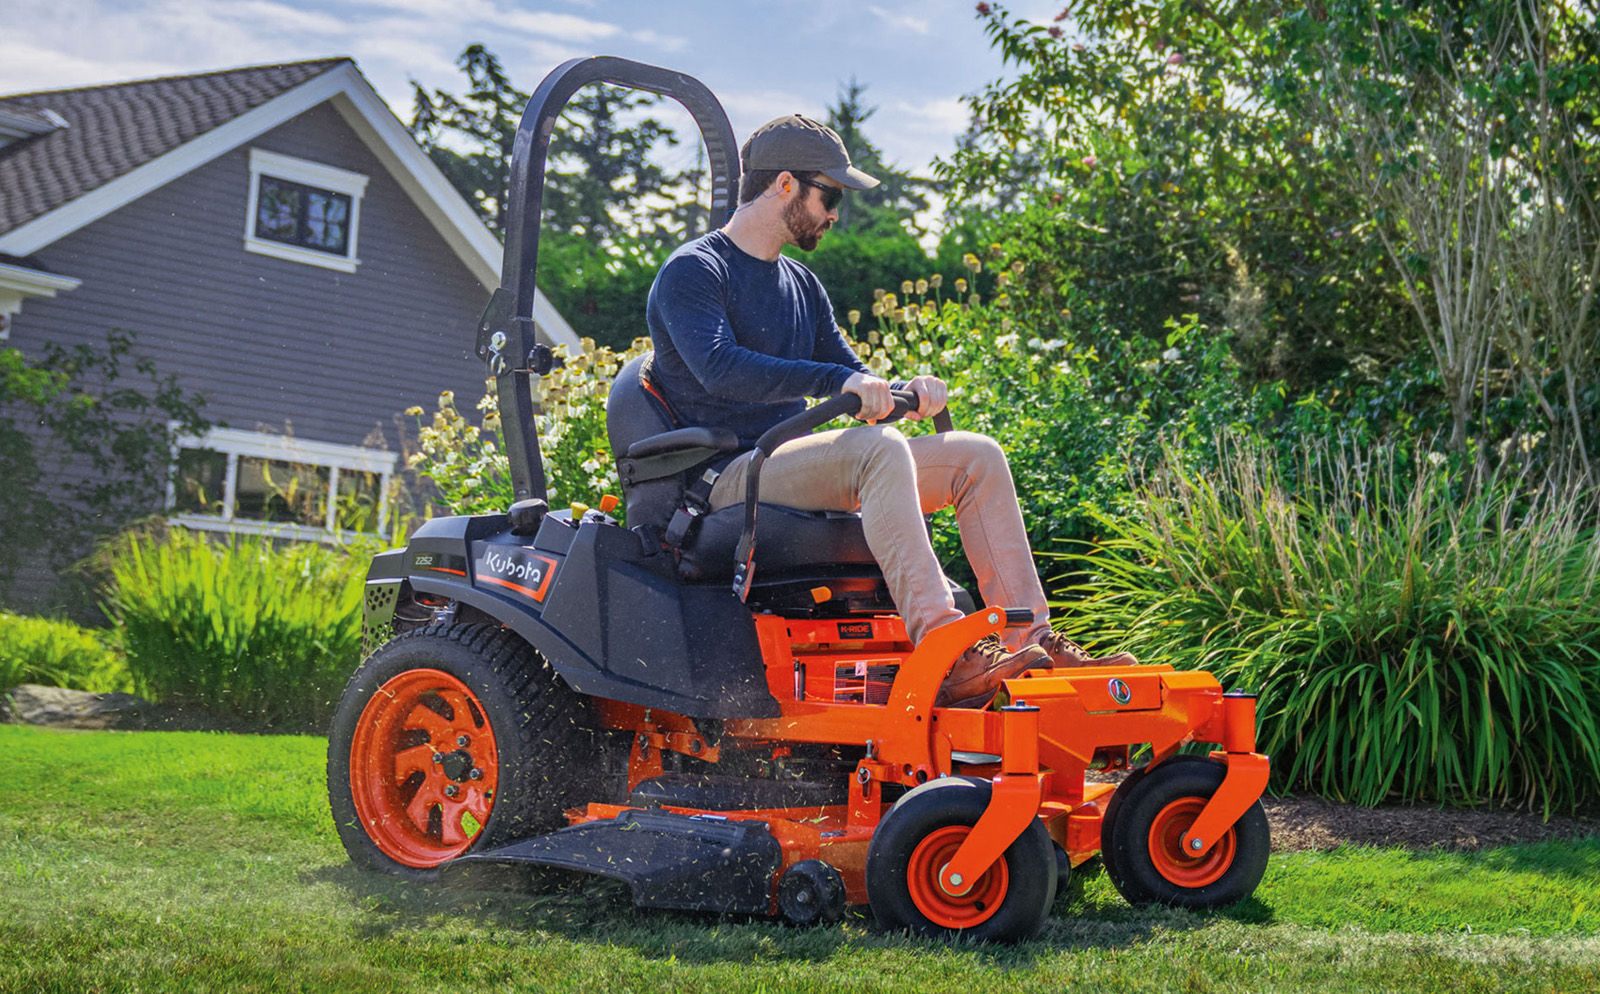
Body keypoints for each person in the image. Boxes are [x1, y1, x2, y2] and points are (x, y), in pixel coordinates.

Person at [645, 114, 1131, 709]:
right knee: (877, 452)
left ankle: (1028, 640)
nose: (834, 213)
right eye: (831, 195)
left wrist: (904, 391)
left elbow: (855, 379)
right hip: (728, 476)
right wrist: (841, 381)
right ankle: (945, 652)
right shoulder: (694, 270)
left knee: (975, 456)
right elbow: (720, 368)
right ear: (786, 185)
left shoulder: (801, 285)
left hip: (792, 464)